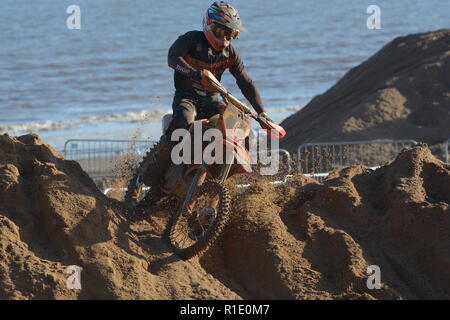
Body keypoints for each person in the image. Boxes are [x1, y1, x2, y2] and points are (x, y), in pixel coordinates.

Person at [145, 1, 269, 185]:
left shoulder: (230, 54)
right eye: (223, 31)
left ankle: (220, 179)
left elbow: (246, 83)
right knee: (183, 121)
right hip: (187, 97)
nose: (227, 36)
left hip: (211, 100)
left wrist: (262, 113)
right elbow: (173, 57)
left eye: (232, 33)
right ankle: (152, 172)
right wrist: (193, 73)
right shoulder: (191, 39)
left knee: (241, 132)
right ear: (210, 25)